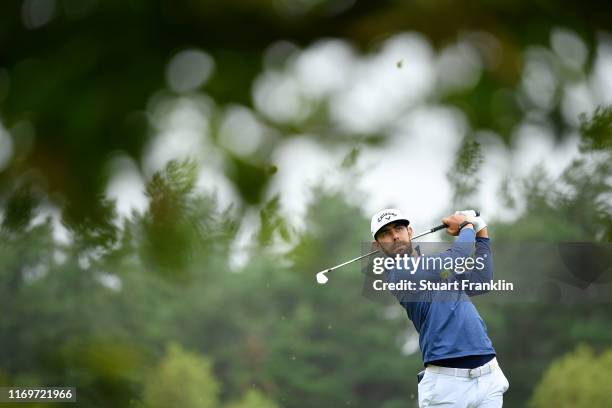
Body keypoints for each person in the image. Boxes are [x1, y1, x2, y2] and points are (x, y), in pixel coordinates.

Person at [370, 208, 509, 407]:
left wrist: (482, 232)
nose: (394, 236)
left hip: (488, 374)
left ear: (409, 231)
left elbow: (481, 281)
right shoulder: (398, 273)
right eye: (385, 233)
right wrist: (467, 225)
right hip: (446, 385)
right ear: (377, 245)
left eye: (398, 228)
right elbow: (456, 257)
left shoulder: (436, 268)